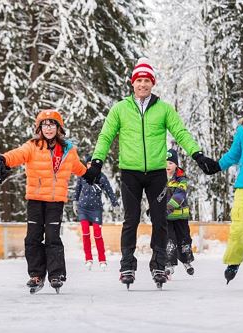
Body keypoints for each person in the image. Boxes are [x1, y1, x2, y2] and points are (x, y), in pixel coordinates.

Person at [83, 57, 219, 288]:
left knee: (160, 219)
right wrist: (97, 162)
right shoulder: (120, 109)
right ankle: (127, 265)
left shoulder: (164, 109)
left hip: (157, 174)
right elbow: (105, 136)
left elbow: (181, 133)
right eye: (139, 80)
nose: (143, 85)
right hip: (130, 173)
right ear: (132, 83)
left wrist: (198, 155)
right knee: (131, 219)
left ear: (152, 83)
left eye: (147, 80)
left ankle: (159, 264)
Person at [0, 109, 89, 293]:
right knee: (33, 237)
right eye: (45, 124)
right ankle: (36, 274)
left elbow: (78, 168)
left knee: (52, 237)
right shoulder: (32, 146)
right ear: (39, 128)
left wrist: (90, 174)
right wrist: (2, 159)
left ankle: (56, 274)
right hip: (35, 200)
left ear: (59, 128)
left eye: (52, 124)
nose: (48, 128)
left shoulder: (68, 150)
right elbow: (17, 154)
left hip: (55, 201)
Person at [210, 91, 243, 285]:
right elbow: (233, 155)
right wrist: (216, 166)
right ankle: (234, 262)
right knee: (240, 229)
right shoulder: (242, 132)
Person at [73, 155, 119, 271]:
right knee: (85, 233)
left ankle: (102, 259)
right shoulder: (82, 175)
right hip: (83, 208)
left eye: (92, 164)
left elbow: (109, 191)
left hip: (96, 210)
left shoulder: (101, 177)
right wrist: (75, 202)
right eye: (88, 163)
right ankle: (88, 258)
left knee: (97, 234)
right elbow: (77, 190)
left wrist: (115, 204)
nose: (90, 166)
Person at [164, 149, 194, 277]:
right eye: (165, 163)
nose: (167, 166)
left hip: (180, 215)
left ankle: (186, 261)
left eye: (170, 163)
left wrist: (169, 207)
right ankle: (169, 265)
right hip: (167, 217)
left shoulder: (181, 178)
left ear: (176, 164)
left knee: (184, 238)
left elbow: (180, 195)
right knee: (169, 240)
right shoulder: (159, 178)